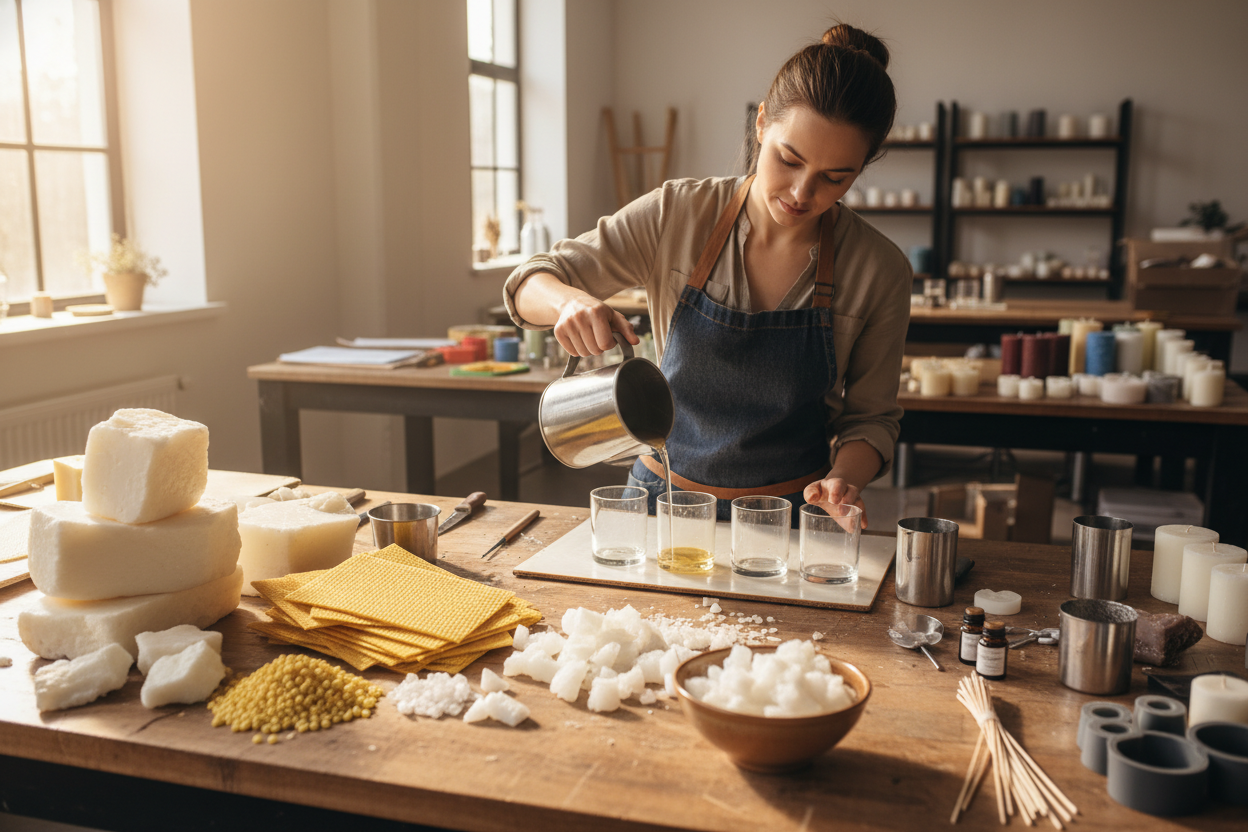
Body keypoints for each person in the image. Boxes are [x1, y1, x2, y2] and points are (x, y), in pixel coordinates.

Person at [504, 24, 911, 528]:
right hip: (657, 504)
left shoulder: (879, 270)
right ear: (761, 124)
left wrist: (843, 480)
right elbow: (530, 280)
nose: (802, 193)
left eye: (835, 178)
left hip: (790, 517)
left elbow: (871, 419)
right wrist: (566, 301)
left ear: (861, 168)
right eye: (789, 159)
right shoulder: (678, 212)